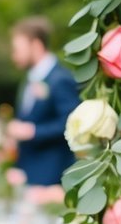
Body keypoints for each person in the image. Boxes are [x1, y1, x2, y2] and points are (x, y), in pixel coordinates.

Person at [6, 16, 80, 186]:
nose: (14, 56)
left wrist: (32, 131)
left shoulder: (60, 79)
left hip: (53, 174)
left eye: (17, 49)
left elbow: (71, 124)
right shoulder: (29, 79)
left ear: (36, 45)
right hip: (28, 170)